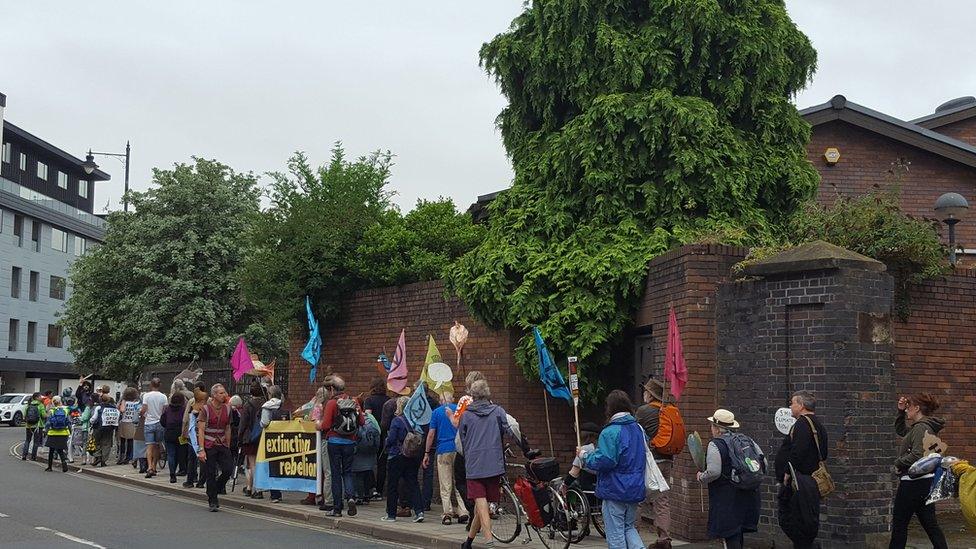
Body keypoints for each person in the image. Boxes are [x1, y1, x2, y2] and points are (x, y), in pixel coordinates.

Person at [577, 390, 645, 549]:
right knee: (629, 528)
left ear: (610, 408)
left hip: (615, 488)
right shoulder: (638, 429)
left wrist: (585, 455)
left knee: (615, 534)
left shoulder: (609, 432)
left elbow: (605, 460)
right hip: (635, 487)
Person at [457, 379, 520, 549]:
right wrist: (525, 448)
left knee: (481, 503)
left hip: (475, 465)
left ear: (472, 395)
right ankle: (468, 542)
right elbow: (510, 430)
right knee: (482, 504)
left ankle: (489, 541)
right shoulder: (498, 411)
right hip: (494, 465)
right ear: (487, 393)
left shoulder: (466, 416)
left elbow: (463, 442)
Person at [889, 393, 948, 549]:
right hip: (924, 482)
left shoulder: (921, 427)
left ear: (917, 408)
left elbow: (917, 454)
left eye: (909, 407)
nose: (907, 409)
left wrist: (898, 463)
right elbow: (903, 431)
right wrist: (900, 412)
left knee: (900, 524)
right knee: (930, 524)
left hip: (912, 483)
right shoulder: (922, 426)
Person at [697, 409, 762, 549]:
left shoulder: (715, 444)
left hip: (726, 497)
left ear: (717, 429)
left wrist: (702, 477)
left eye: (712, 426)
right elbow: (763, 463)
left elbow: (714, 472)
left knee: (730, 536)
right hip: (749, 494)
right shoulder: (747, 440)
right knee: (738, 533)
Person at [774, 390, 827, 549]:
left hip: (800, 482)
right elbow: (823, 453)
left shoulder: (803, 424)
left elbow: (798, 452)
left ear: (801, 405)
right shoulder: (818, 424)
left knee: (792, 519)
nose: (790, 406)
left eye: (792, 402)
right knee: (805, 520)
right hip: (809, 482)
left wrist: (787, 473)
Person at [635, 379, 676, 549]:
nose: (643, 394)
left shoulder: (644, 411)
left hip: (651, 463)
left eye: (645, 391)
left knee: (637, 498)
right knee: (662, 500)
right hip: (667, 460)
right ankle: (664, 539)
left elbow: (634, 431)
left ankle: (633, 534)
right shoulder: (669, 410)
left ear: (650, 395)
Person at [319, 375, 365, 517]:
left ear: (332, 389)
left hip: (334, 442)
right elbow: (362, 421)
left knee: (335, 475)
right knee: (348, 472)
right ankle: (350, 496)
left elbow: (326, 425)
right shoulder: (354, 401)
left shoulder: (332, 403)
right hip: (350, 442)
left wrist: (318, 425)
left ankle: (337, 508)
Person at [424, 391, 467, 525]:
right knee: (459, 482)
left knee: (445, 483)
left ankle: (447, 513)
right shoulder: (460, 410)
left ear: (441, 400)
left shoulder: (436, 412)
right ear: (453, 399)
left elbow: (431, 434)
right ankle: (463, 511)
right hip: (459, 450)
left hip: (443, 450)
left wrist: (426, 452)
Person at [382, 396, 424, 523]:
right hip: (412, 456)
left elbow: (392, 439)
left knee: (393, 485)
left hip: (397, 455)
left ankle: (391, 514)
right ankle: (419, 511)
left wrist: (386, 443)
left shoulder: (397, 421)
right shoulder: (415, 420)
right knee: (413, 483)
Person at [197, 383, 234, 512]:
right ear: (214, 395)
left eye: (224, 392)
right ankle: (213, 500)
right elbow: (201, 430)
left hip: (222, 443)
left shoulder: (228, 409)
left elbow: (228, 428)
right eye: (221, 393)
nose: (224, 395)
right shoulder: (205, 409)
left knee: (228, 469)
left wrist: (228, 446)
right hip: (209, 444)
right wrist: (201, 450)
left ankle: (216, 488)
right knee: (210, 473)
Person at [260, 385, 291, 503]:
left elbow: (264, 423)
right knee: (282, 465)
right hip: (285, 440)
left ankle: (275, 494)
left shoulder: (267, 406)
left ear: (270, 394)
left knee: (272, 466)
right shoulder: (286, 405)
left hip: (271, 440)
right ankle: (281, 489)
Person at [351, 397, 381, 505]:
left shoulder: (351, 418)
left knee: (357, 474)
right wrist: (375, 449)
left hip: (357, 450)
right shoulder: (370, 417)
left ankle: (359, 496)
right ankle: (367, 494)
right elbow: (378, 432)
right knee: (367, 472)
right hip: (369, 450)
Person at [238, 382, 266, 499]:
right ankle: (250, 487)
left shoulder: (248, 404)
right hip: (262, 436)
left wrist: (240, 436)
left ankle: (256, 489)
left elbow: (243, 423)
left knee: (251, 464)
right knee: (259, 464)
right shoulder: (265, 404)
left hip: (250, 437)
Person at [365, 377, 391, 499]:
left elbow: (368, 418)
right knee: (382, 464)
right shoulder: (389, 400)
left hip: (373, 435)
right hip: (386, 435)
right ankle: (380, 490)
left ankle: (372, 488)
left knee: (369, 462)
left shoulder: (369, 400)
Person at [140, 378, 168, 479]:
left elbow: (143, 409)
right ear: (159, 385)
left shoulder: (146, 396)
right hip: (159, 423)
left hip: (149, 422)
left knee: (149, 446)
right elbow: (165, 410)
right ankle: (155, 466)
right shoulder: (164, 397)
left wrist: (141, 414)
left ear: (151, 385)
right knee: (157, 445)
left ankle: (150, 467)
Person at [182, 381, 208, 488]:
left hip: (193, 432)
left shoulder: (192, 402)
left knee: (192, 458)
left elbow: (185, 418)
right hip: (204, 432)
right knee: (203, 456)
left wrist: (184, 431)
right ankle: (201, 482)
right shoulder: (209, 401)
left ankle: (190, 480)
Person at [161, 393, 188, 484]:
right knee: (179, 453)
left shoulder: (167, 409)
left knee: (171, 454)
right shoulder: (183, 410)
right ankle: (179, 469)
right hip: (181, 434)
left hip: (169, 433)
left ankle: (172, 474)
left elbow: (163, 421)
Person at [90, 393, 120, 466]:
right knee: (106, 444)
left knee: (96, 442)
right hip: (109, 428)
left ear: (101, 399)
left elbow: (94, 418)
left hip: (98, 427)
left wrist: (90, 421)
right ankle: (104, 460)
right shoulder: (114, 408)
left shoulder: (99, 407)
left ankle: (98, 456)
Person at [45, 396, 71, 472]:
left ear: (53, 402)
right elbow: (69, 422)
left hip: (52, 433)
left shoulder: (51, 411)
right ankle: (64, 465)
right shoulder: (66, 410)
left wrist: (45, 431)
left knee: (51, 451)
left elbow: (48, 423)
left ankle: (49, 467)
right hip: (63, 433)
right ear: (60, 401)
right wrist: (70, 431)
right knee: (60, 450)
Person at [117, 387, 140, 465]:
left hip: (124, 422)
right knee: (131, 441)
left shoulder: (124, 402)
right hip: (132, 423)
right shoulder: (136, 403)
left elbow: (122, 410)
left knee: (123, 441)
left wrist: (122, 401)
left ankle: (122, 457)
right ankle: (128, 457)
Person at [21, 392, 47, 462]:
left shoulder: (28, 405)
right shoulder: (40, 405)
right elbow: (44, 415)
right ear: (37, 398)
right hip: (38, 426)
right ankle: (33, 457)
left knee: (27, 440)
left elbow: (24, 416)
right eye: (40, 397)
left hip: (28, 426)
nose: (41, 398)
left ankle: (24, 455)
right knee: (36, 442)